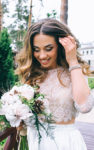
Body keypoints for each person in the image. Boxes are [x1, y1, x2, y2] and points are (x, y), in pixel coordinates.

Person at [15, 18, 94, 150]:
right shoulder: (32, 75)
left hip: (65, 143)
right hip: (36, 142)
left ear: (61, 46)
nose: (42, 55)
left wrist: (73, 61)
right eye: (36, 49)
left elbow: (85, 107)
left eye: (48, 48)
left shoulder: (73, 72)